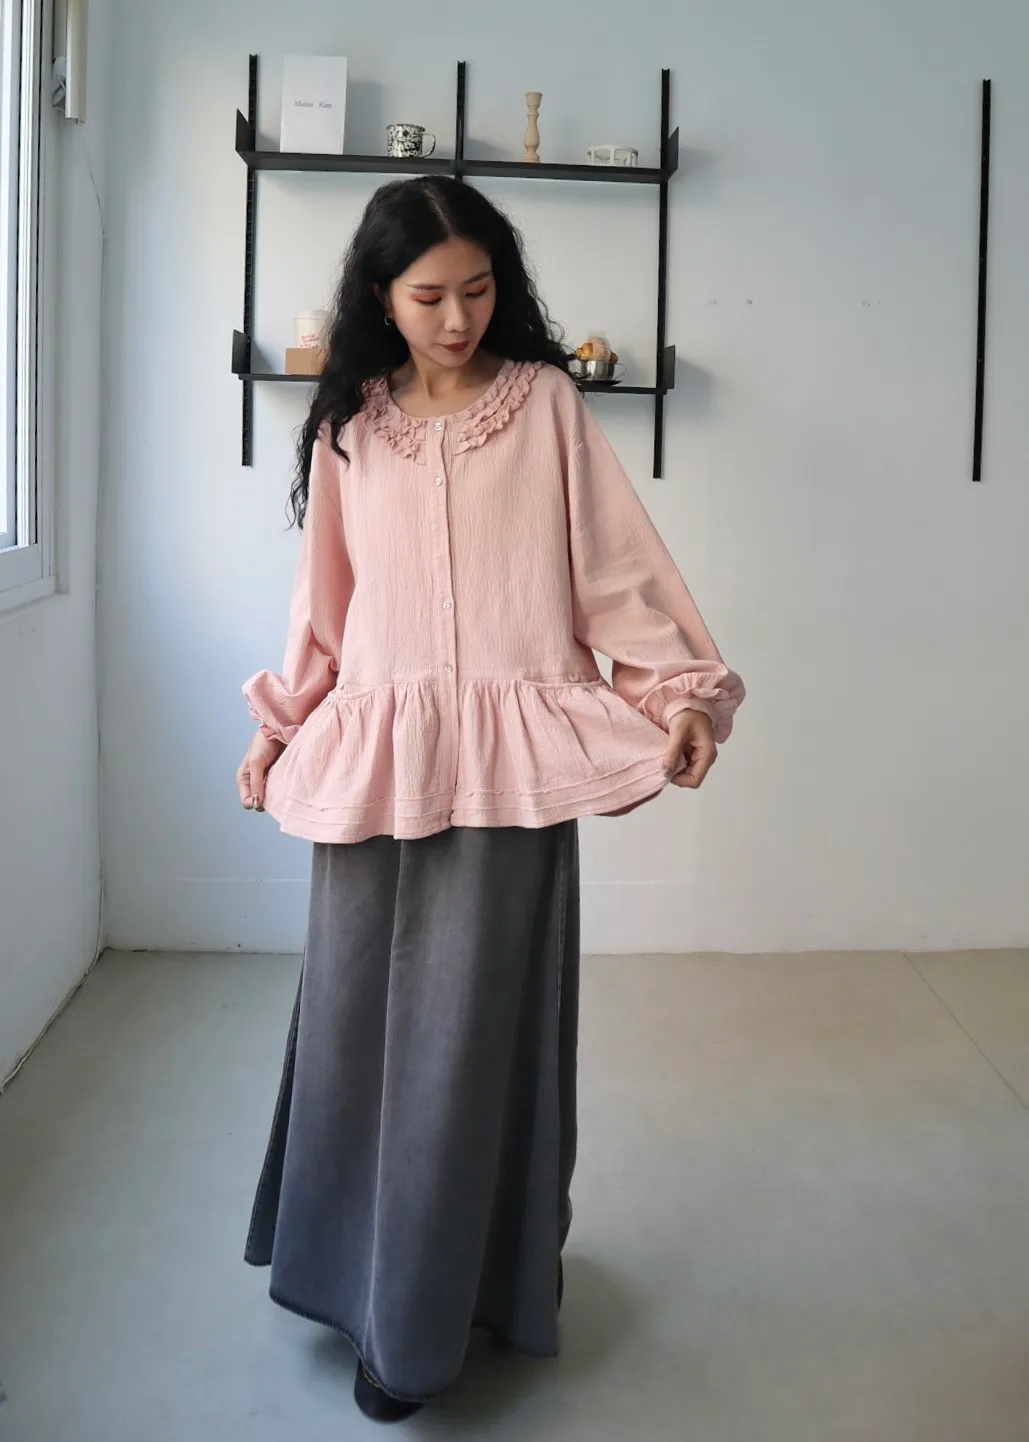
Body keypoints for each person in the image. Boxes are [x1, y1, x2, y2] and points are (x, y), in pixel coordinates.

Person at [236, 176, 745, 1425]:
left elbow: (616, 570)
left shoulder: (546, 406)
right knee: (355, 1030)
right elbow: (326, 608)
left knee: (481, 1041)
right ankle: (355, 1287)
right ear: (381, 298)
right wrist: (279, 725)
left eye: (477, 291)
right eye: (429, 297)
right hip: (377, 764)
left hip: (515, 773)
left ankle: (438, 1316)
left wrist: (678, 693)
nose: (457, 318)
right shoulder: (352, 426)